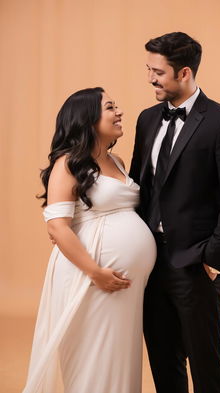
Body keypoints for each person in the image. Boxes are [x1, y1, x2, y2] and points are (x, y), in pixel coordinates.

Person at [129, 32, 220, 393]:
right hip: (150, 261)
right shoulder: (146, 119)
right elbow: (141, 188)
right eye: (148, 69)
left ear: (184, 73)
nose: (150, 78)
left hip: (198, 263)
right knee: (164, 362)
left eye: (158, 72)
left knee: (205, 363)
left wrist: (214, 258)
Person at [22, 87, 156, 393]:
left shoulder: (118, 160)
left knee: (120, 355)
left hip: (123, 286)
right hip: (90, 277)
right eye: (110, 107)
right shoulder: (68, 163)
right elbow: (58, 227)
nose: (119, 112)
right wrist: (96, 273)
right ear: (88, 119)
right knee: (93, 356)